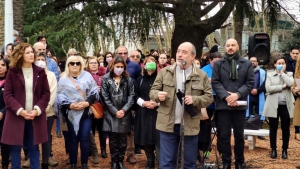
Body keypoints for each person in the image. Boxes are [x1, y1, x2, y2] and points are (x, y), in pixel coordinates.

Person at [150, 42, 213, 169]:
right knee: (167, 163)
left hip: (189, 125)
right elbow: (152, 91)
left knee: (189, 163)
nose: (179, 55)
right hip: (168, 124)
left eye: (184, 52)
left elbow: (209, 98)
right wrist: (158, 95)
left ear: (193, 56)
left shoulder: (201, 75)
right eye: (178, 51)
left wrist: (195, 100)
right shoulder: (164, 72)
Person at [2, 43, 50, 169]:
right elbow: (7, 95)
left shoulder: (40, 72)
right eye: (27, 52)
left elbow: (46, 94)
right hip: (16, 116)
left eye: (32, 52)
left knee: (34, 147)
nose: (31, 54)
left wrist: (37, 110)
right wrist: (20, 110)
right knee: (15, 148)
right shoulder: (12, 72)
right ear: (20, 55)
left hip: (35, 117)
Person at [212, 39, 254, 169]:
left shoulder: (246, 64)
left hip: (239, 104)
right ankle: (226, 162)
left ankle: (239, 162)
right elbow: (215, 82)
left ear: (238, 46)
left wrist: (237, 95)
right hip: (224, 105)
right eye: (228, 45)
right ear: (225, 48)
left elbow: (250, 83)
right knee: (224, 135)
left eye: (233, 45)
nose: (230, 48)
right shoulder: (218, 64)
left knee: (239, 136)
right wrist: (227, 96)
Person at [55, 55, 99, 169]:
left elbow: (94, 92)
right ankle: (73, 163)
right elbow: (59, 95)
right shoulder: (63, 78)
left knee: (84, 137)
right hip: (71, 113)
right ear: (68, 65)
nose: (75, 65)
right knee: (73, 138)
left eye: (77, 63)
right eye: (72, 63)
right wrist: (70, 105)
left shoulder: (87, 76)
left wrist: (87, 103)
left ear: (81, 64)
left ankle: (84, 163)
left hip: (86, 112)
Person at [101, 56, 135, 169]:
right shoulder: (106, 79)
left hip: (124, 113)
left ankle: (120, 160)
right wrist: (115, 111)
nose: (119, 69)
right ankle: (114, 161)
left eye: (121, 67)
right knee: (113, 138)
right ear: (112, 66)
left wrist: (124, 110)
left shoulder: (128, 79)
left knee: (123, 139)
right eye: (117, 66)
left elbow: (131, 96)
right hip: (112, 113)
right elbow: (105, 97)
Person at [113, 46, 141, 164]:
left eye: (125, 53)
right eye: (120, 53)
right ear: (116, 54)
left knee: (129, 131)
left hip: (130, 104)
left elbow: (140, 82)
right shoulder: (111, 66)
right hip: (115, 105)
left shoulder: (135, 66)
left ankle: (130, 154)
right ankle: (116, 157)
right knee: (116, 131)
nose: (123, 55)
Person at [262, 57, 294, 160]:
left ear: (285, 65)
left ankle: (285, 149)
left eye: (283, 63)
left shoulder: (289, 74)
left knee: (285, 128)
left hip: (286, 105)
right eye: (279, 63)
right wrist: (282, 87)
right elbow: (268, 88)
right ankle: (273, 149)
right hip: (273, 105)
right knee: (273, 128)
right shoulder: (270, 75)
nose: (281, 65)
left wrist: (282, 74)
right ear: (275, 64)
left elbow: (290, 83)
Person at [134, 56, 160, 168]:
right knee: (145, 135)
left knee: (158, 135)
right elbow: (135, 94)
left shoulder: (160, 78)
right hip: (143, 111)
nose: (151, 64)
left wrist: (157, 103)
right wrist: (144, 103)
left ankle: (160, 159)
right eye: (149, 62)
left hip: (158, 111)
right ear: (144, 64)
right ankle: (150, 159)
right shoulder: (140, 79)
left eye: (153, 62)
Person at [35, 52, 58, 168]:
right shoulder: (31, 74)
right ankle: (32, 159)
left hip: (48, 112)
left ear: (46, 61)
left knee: (46, 136)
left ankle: (46, 160)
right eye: (38, 59)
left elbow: (52, 93)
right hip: (33, 112)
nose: (40, 61)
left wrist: (44, 108)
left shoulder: (51, 75)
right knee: (33, 135)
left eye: (42, 59)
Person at [199, 51, 222, 159]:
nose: (217, 64)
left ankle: (221, 149)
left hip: (220, 99)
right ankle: (206, 149)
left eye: (219, 62)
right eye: (215, 62)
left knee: (221, 126)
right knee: (206, 126)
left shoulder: (224, 69)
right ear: (210, 61)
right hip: (207, 100)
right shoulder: (203, 70)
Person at [85, 56, 108, 163]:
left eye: (95, 63)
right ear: (88, 64)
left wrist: (101, 90)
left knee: (102, 129)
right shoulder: (84, 76)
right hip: (89, 106)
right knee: (91, 129)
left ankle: (103, 149)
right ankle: (91, 149)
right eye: (91, 63)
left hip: (101, 105)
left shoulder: (104, 76)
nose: (94, 64)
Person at [246, 56, 266, 140]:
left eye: (254, 61)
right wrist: (250, 89)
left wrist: (257, 90)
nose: (253, 62)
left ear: (257, 62)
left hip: (259, 95)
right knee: (247, 113)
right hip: (248, 95)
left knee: (260, 113)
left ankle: (259, 131)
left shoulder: (263, 72)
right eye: (251, 61)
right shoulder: (245, 71)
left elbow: (265, 83)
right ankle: (246, 131)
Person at [285, 47, 300, 140]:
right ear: (290, 53)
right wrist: (294, 89)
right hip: (289, 90)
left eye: (297, 53)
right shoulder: (286, 64)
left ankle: (297, 131)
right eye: (293, 53)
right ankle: (295, 131)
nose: (295, 55)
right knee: (292, 111)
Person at [0, 58, 11, 169]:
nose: (0, 67)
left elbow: (13, 101)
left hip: (6, 118)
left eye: (3, 65)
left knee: (5, 144)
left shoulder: (10, 82)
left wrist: (3, 111)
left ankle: (4, 165)